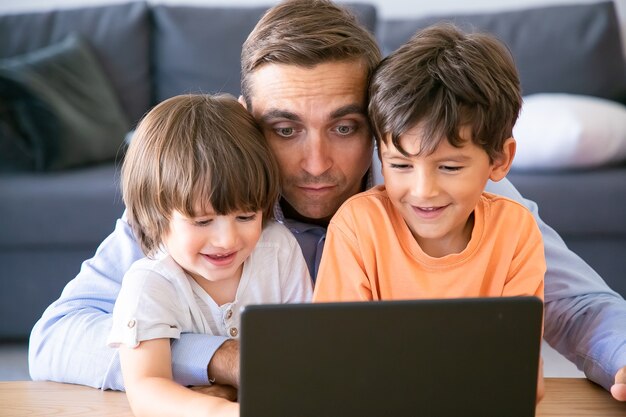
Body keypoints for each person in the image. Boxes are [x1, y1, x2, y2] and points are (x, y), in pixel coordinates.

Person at [29, 0, 626, 402]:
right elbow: (56, 335)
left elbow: (577, 305)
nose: (316, 164)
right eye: (284, 129)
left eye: (344, 127)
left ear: (379, 121)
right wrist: (224, 358)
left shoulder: (438, 185)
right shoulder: (199, 205)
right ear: (245, 122)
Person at [312, 23, 545, 401]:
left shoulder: (515, 231)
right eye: (401, 165)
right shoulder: (359, 226)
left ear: (499, 160)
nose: (423, 191)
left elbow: (521, 379)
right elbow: (338, 364)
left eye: (450, 167)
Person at [108, 93, 312, 416]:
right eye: (202, 221)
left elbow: (305, 350)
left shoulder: (277, 251)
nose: (226, 239)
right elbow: (146, 387)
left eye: (246, 216)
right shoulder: (150, 284)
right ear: (156, 216)